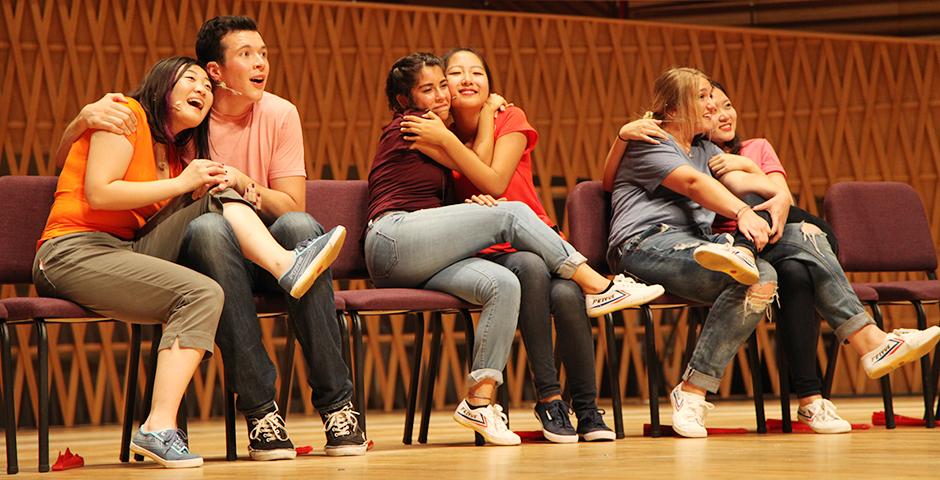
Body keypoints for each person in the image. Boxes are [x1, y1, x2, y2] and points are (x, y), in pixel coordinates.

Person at [54, 16, 366, 459]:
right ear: (215, 71)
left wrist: (246, 184)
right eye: (246, 54)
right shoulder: (173, 125)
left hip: (254, 246)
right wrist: (81, 119)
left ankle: (338, 406)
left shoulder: (275, 113)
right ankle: (261, 412)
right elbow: (83, 174)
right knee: (207, 225)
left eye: (263, 54)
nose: (260, 63)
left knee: (299, 228)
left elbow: (294, 205)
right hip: (204, 255)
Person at [602, 66, 940, 438]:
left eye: (710, 95)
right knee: (759, 272)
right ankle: (696, 391)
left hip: (698, 244)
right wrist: (744, 212)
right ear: (673, 108)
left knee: (789, 249)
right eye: (701, 96)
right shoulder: (650, 140)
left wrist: (779, 197)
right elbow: (695, 184)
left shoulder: (706, 148)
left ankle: (871, 342)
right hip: (644, 244)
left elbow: (738, 182)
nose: (712, 103)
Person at [369, 52, 662, 445]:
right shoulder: (418, 126)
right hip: (393, 238)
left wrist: (481, 130)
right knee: (510, 213)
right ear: (406, 101)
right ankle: (601, 287)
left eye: (444, 84)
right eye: (431, 87)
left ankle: (480, 400)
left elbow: (478, 169)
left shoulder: (449, 130)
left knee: (504, 284)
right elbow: (488, 178)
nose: (442, 94)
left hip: (429, 254)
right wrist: (475, 126)